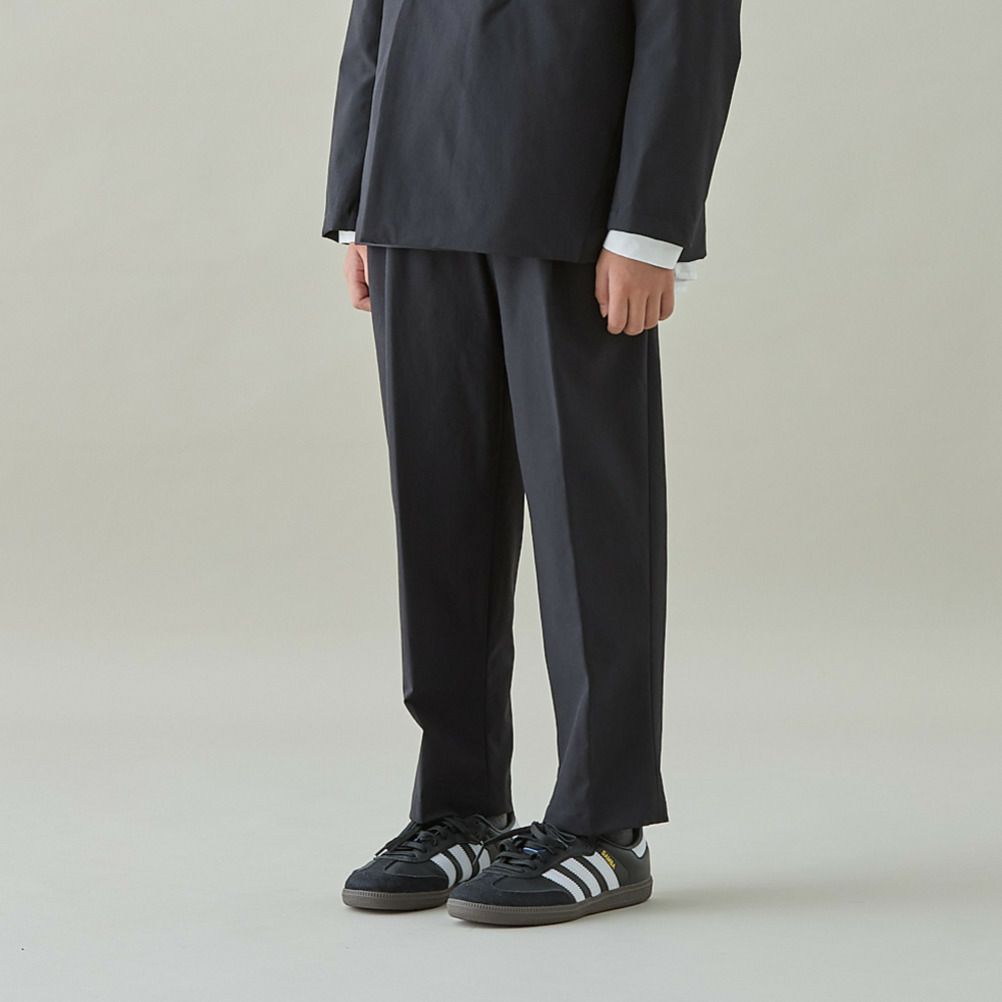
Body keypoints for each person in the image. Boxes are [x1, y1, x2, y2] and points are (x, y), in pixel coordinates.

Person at [323, 0, 741, 927]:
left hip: (572, 193)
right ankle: (459, 805)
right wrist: (357, 202)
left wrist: (649, 223)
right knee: (439, 513)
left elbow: (690, 26)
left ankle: (604, 820)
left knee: (590, 515)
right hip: (412, 182)